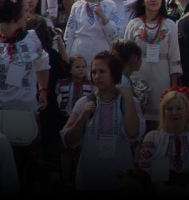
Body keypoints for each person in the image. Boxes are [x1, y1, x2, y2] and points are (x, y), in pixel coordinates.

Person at [60, 51, 142, 190]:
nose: (97, 76)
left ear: (115, 73)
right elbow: (69, 142)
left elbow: (133, 133)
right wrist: (82, 117)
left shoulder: (129, 102)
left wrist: (128, 98)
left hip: (120, 180)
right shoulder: (84, 102)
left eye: (102, 71)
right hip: (89, 179)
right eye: (94, 72)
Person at [135, 87, 189, 194]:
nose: (174, 113)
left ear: (188, 111)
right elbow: (145, 170)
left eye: (179, 108)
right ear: (163, 112)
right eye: (169, 109)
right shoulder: (152, 138)